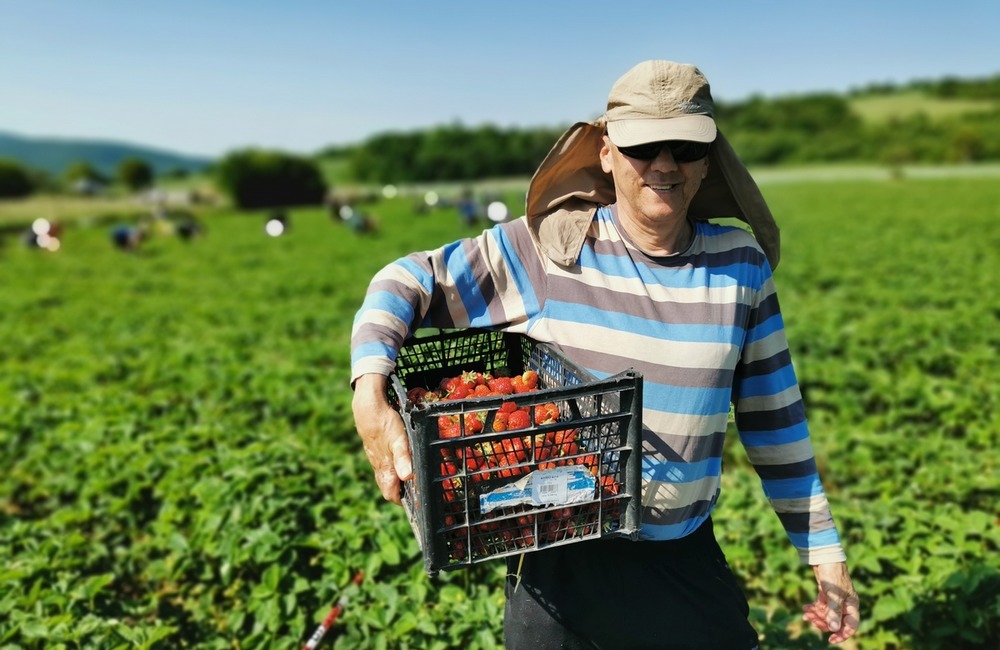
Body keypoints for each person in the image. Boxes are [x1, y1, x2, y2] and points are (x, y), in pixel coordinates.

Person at [351, 60, 859, 648]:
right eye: (644, 145)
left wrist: (824, 555)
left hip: (680, 559)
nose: (664, 164)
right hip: (561, 563)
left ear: (707, 161)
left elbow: (775, 421)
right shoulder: (551, 250)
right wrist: (371, 390)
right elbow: (405, 280)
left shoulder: (738, 266)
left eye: (684, 148)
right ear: (607, 153)